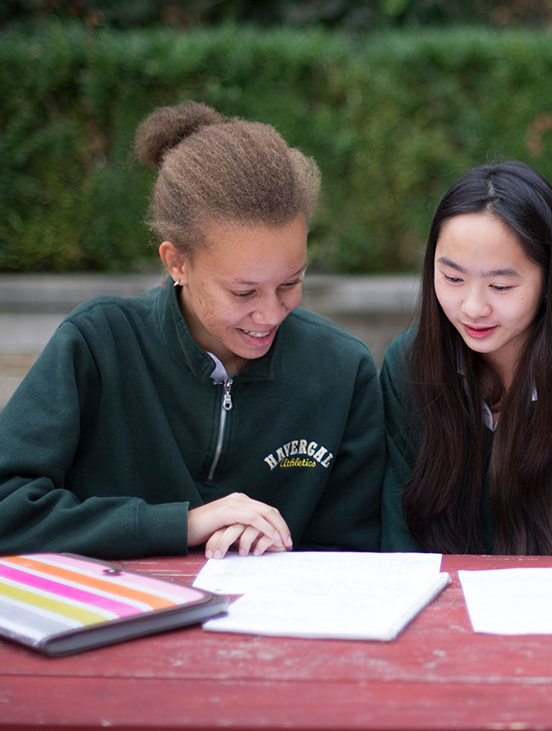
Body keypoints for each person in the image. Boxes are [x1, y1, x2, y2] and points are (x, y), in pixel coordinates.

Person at [0, 102, 384, 559]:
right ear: (176, 262)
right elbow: (10, 506)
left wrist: (281, 547)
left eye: (290, 283)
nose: (270, 314)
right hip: (115, 621)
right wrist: (180, 525)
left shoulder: (343, 370)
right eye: (243, 293)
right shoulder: (98, 343)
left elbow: (353, 553)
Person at [380, 160, 552, 555]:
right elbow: (397, 541)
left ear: (550, 280)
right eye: (452, 278)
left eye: (501, 285)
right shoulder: (407, 366)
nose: (473, 307)